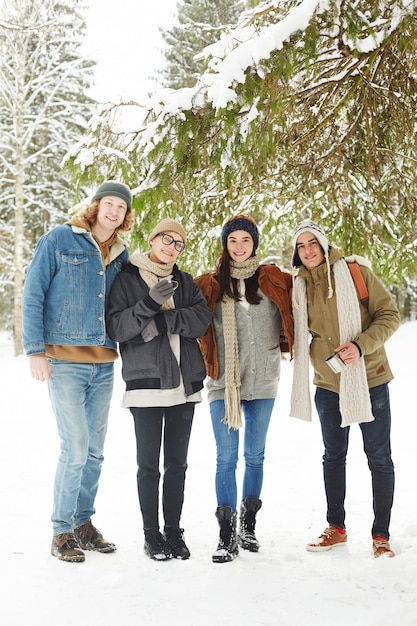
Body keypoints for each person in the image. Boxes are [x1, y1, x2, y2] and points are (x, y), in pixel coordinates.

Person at [22, 181, 134, 563]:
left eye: (122, 206)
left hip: (103, 363)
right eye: (110, 203)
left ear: (125, 215)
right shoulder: (59, 239)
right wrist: (35, 350)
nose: (114, 211)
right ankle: (61, 532)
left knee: (95, 451)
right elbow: (33, 292)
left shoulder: (121, 254)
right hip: (65, 361)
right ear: (97, 205)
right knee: (75, 448)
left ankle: (83, 524)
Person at [290, 219, 400, 558]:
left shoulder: (354, 272)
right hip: (327, 383)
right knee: (333, 457)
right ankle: (336, 528)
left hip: (370, 378)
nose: (308, 251)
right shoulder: (299, 286)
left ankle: (381, 535)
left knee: (379, 458)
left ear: (324, 245)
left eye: (313, 243)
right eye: (301, 246)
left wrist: (361, 345)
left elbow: (390, 314)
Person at [106, 218, 211, 561]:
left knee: (177, 465)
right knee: (148, 466)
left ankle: (173, 532)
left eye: (179, 243)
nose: (171, 247)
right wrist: (149, 303)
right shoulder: (128, 278)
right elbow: (118, 326)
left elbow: (201, 320)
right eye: (167, 239)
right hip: (146, 383)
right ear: (152, 240)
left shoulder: (184, 281)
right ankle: (151, 535)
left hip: (185, 384)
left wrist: (164, 320)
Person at [195, 215, 294, 563]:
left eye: (245, 240)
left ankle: (248, 525)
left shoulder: (272, 280)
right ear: (225, 244)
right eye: (233, 240)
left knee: (255, 455)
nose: (239, 246)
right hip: (224, 383)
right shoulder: (209, 284)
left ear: (254, 243)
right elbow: (179, 304)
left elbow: (310, 282)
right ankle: (226, 533)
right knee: (226, 456)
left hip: (264, 379)